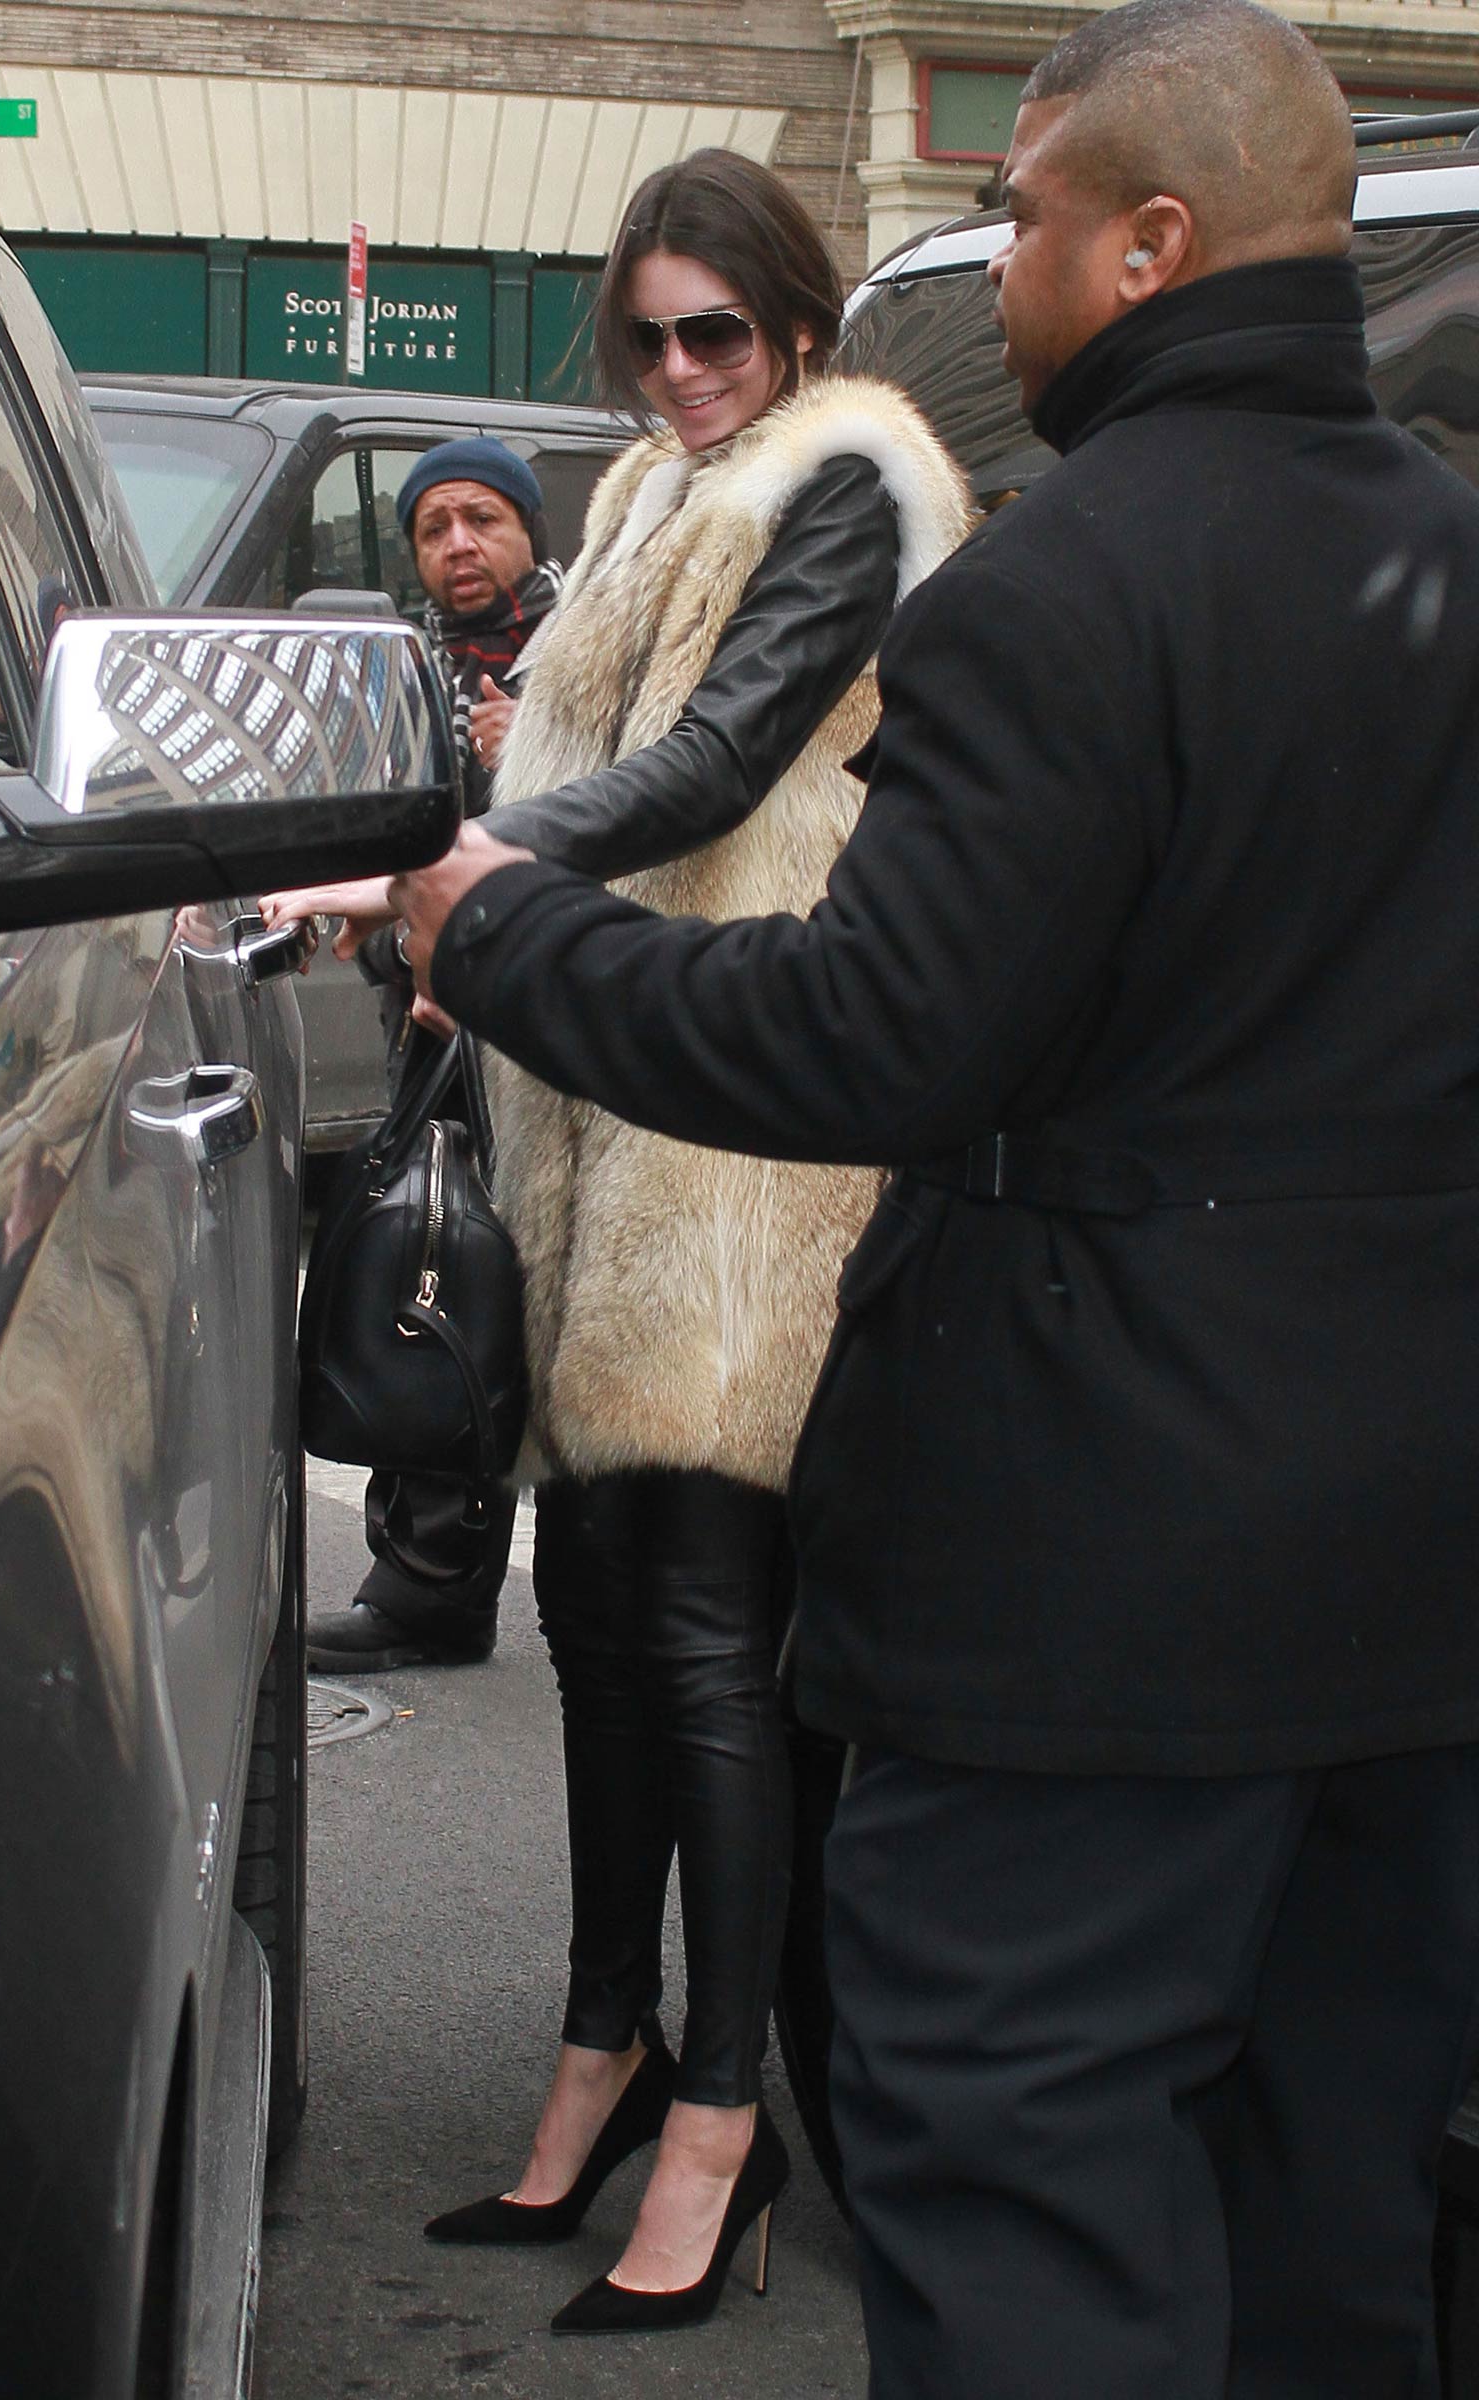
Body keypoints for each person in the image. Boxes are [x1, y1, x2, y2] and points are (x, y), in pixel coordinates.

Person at [389, 7, 1479, 2393]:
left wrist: (493, 931)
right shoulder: (1438, 547)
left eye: (1026, 225)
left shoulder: (1050, 584)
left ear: (1153, 242)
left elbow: (864, 1032)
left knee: (1017, 2182)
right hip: (1412, 1574)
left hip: (1095, 1574)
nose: (996, 281)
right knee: (1336, 2201)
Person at [265, 147, 970, 2333]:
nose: (674, 374)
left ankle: (721, 2123)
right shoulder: (668, 491)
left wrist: (462, 862)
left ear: (797, 321)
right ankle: (603, 2048)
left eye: (715, 336)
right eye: (644, 338)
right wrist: (382, 859)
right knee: (590, 1621)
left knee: (703, 1643)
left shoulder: (843, 477)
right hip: (611, 1118)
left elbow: (719, 757)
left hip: (750, 1143)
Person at [295, 437, 563, 1674]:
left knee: (510, 1286)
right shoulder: (406, 669)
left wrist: (531, 758)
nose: (458, 547)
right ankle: (429, 1579)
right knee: (428, 1267)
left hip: (568, 1030)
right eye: (433, 527)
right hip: (433, 1019)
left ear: (526, 530)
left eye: (481, 520)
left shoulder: (582, 652)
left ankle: (512, 1576)